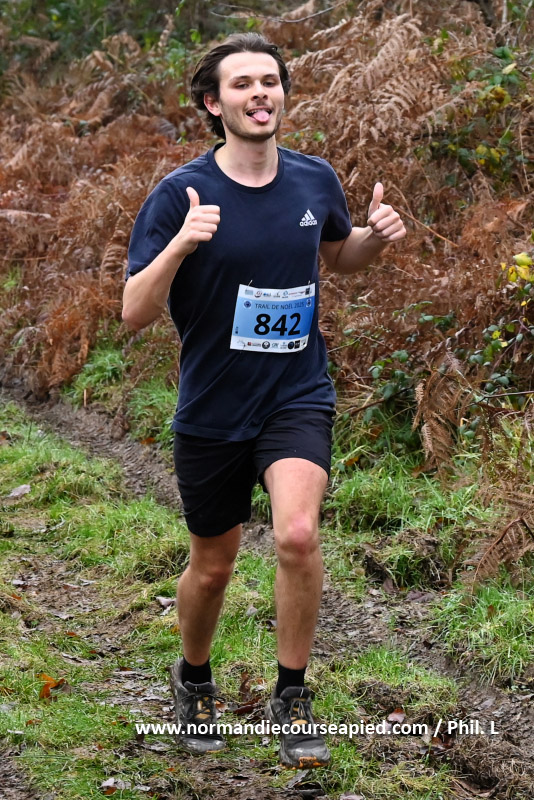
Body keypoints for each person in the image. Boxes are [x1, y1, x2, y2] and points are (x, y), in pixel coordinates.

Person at [123, 32, 406, 768]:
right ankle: (193, 678)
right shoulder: (181, 194)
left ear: (282, 95)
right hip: (214, 406)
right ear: (213, 104)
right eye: (242, 84)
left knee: (298, 536)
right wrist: (181, 244)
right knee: (212, 567)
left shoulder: (314, 179)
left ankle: (292, 695)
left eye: (270, 82)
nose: (260, 94)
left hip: (295, 393)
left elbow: (339, 257)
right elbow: (133, 312)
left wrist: (374, 237)